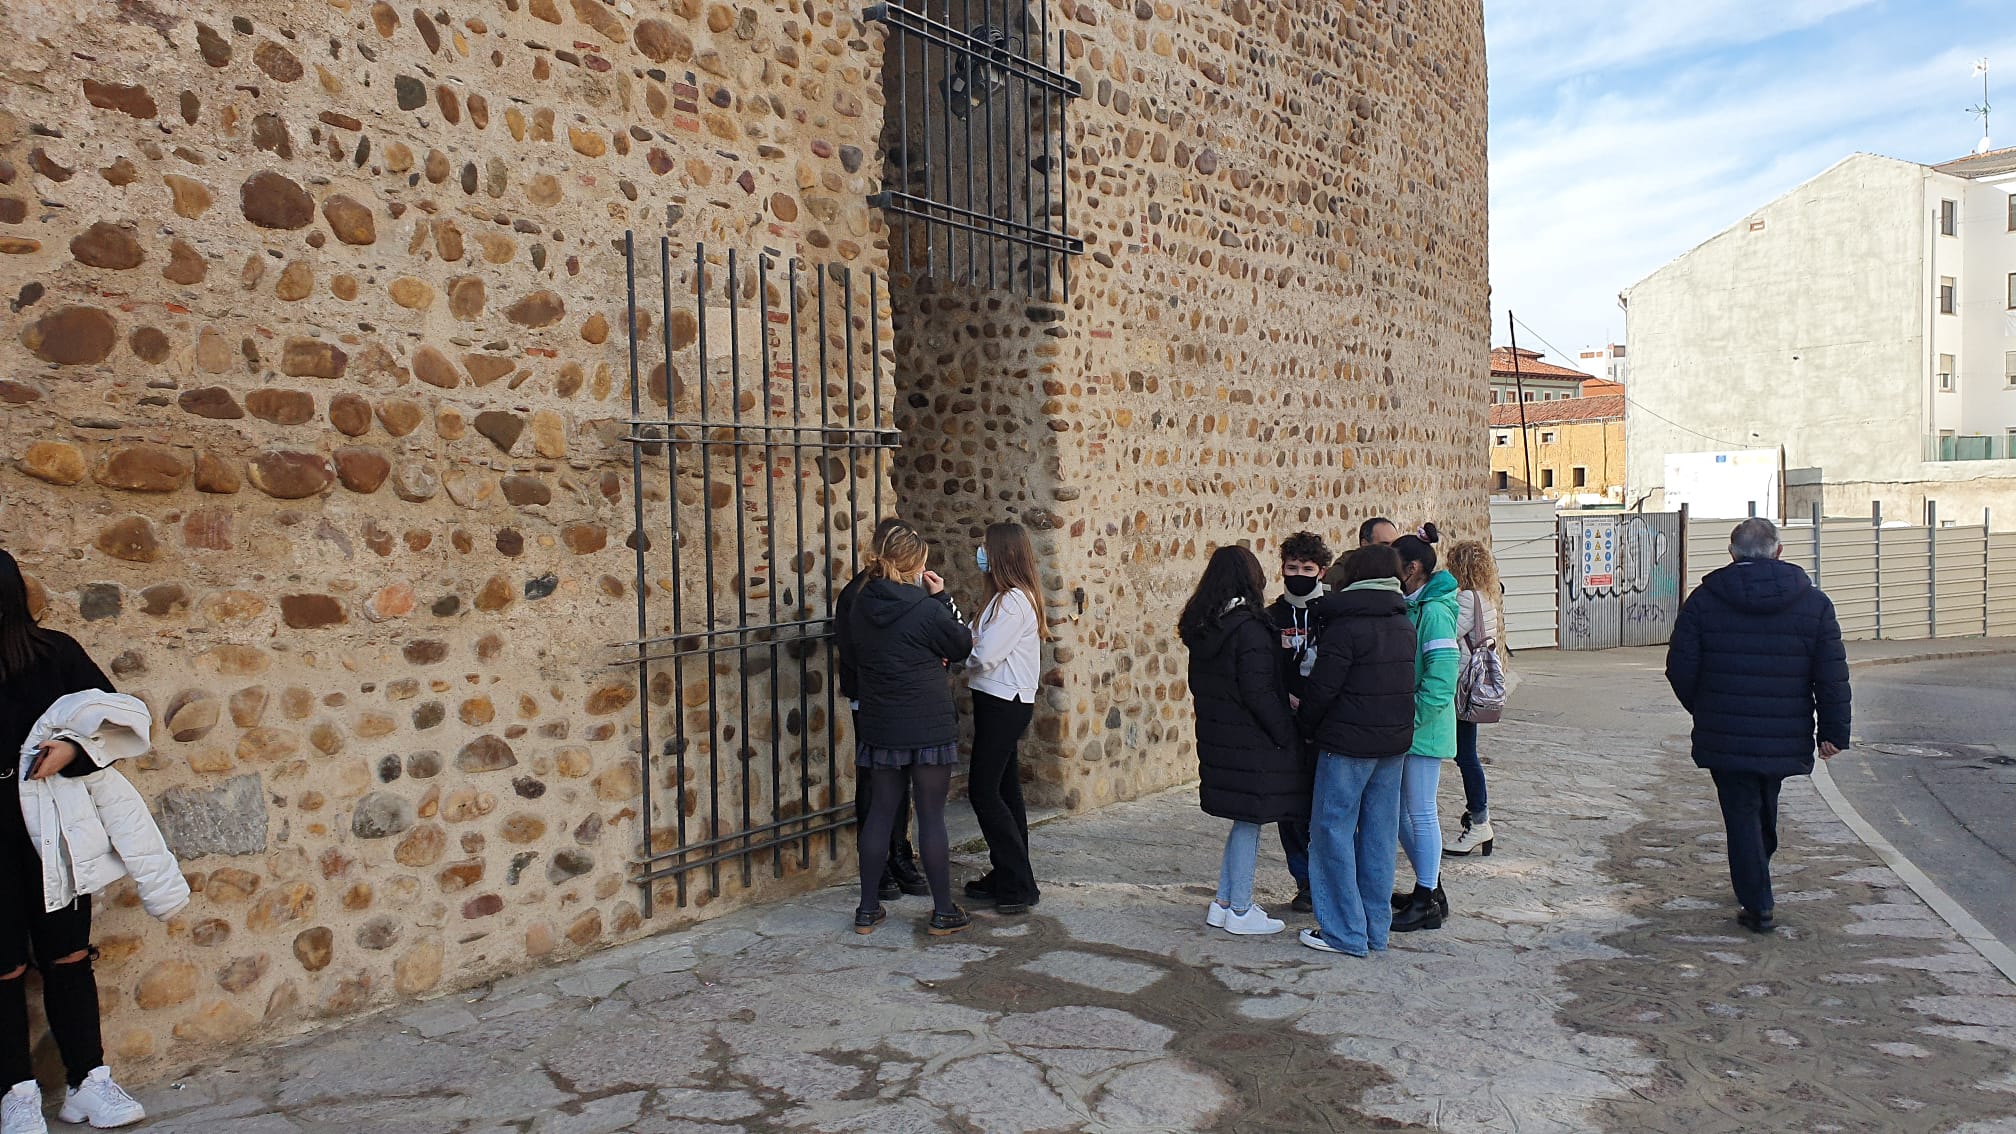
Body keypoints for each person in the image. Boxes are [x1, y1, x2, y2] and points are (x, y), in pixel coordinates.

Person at [2, 550, 156, 1133]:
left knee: (67, 955)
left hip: (53, 828)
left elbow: (123, 718)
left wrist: (72, 752)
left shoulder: (54, 654)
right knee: (3, 966)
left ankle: (87, 1082)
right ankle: (14, 1093)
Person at [1666, 518, 1850, 933]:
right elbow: (1831, 674)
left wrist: (1705, 708)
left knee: (1742, 812)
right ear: (1779, 551)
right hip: (1784, 732)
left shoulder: (1703, 601)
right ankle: (1757, 884)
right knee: (1763, 802)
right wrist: (1833, 731)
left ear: (1731, 553)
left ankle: (1757, 898)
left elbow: (1680, 668)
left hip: (1724, 731)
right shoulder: (1815, 604)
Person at [846, 528, 974, 936]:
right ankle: (943, 910)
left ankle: (868, 909)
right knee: (931, 815)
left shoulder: (860, 604)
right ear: (917, 566)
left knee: (881, 812)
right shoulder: (926, 607)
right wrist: (942, 598)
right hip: (927, 721)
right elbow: (961, 645)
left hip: (882, 720)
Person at [1293, 545, 1419, 956]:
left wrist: (1306, 727)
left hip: (1346, 745)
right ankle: (1374, 930)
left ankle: (1344, 932)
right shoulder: (1403, 623)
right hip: (1392, 746)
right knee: (1379, 839)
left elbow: (1323, 689)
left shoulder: (1345, 626)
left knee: (1331, 834)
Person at [1180, 545, 1305, 937]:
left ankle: (1223, 902)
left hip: (1221, 735)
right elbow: (1259, 691)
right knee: (1250, 821)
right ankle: (1241, 907)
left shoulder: (1205, 626)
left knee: (1243, 821)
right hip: (1250, 740)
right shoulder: (1248, 628)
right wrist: (1286, 732)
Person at [833, 518, 931, 903]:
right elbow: (856, 652)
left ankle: (900, 853)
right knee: (874, 783)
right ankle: (878, 864)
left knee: (901, 779)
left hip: (900, 699)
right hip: (873, 698)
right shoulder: (858, 595)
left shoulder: (909, 591)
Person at [962, 522, 1048, 916]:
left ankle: (1018, 881)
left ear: (1000, 554)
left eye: (984, 547)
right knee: (1006, 790)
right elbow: (975, 639)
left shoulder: (1014, 601)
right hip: (994, 699)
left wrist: (962, 654)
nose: (979, 553)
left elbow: (985, 654)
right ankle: (1009, 872)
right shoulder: (1000, 599)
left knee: (983, 790)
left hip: (1005, 701)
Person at [1389, 524, 1461, 933]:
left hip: (1423, 729)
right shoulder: (1415, 605)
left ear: (1413, 568)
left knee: (1420, 813)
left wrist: (1412, 718)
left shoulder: (1433, 612)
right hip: (1413, 728)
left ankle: (1426, 899)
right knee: (1403, 815)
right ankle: (1429, 888)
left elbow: (1441, 677)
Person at [1265, 530, 1333, 913]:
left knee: (1327, 809)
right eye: (1293, 567)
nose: (1299, 574)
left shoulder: (1335, 613)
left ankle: (1332, 878)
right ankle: (1305, 882)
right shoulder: (1271, 617)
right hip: (1287, 728)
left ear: (1321, 571)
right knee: (1291, 811)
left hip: (1327, 725)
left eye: (1307, 568)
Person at [1443, 540, 1505, 857]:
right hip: (1472, 686)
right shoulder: (1485, 599)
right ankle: (1478, 819)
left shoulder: (1465, 600)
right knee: (1466, 754)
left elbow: (1445, 634)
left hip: (1461, 688)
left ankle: (1479, 821)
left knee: (1466, 756)